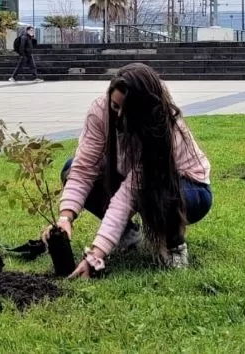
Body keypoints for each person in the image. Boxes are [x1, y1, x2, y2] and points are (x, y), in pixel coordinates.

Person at [44, 63, 213, 278]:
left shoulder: (160, 126)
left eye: (128, 111)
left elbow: (127, 196)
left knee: (155, 190)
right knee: (70, 169)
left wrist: (96, 254)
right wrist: (65, 218)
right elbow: (83, 169)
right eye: (115, 106)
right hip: (131, 179)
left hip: (189, 190)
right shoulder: (100, 112)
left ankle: (173, 243)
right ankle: (128, 234)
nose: (119, 116)